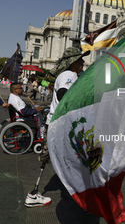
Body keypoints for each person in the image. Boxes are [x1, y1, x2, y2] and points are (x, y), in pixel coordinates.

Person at [24, 47, 91, 208]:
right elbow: (63, 95)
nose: (83, 62)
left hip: (55, 123)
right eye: (80, 59)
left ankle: (34, 193)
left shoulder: (66, 75)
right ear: (72, 62)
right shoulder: (70, 75)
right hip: (63, 124)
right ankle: (83, 199)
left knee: (50, 157)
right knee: (78, 158)